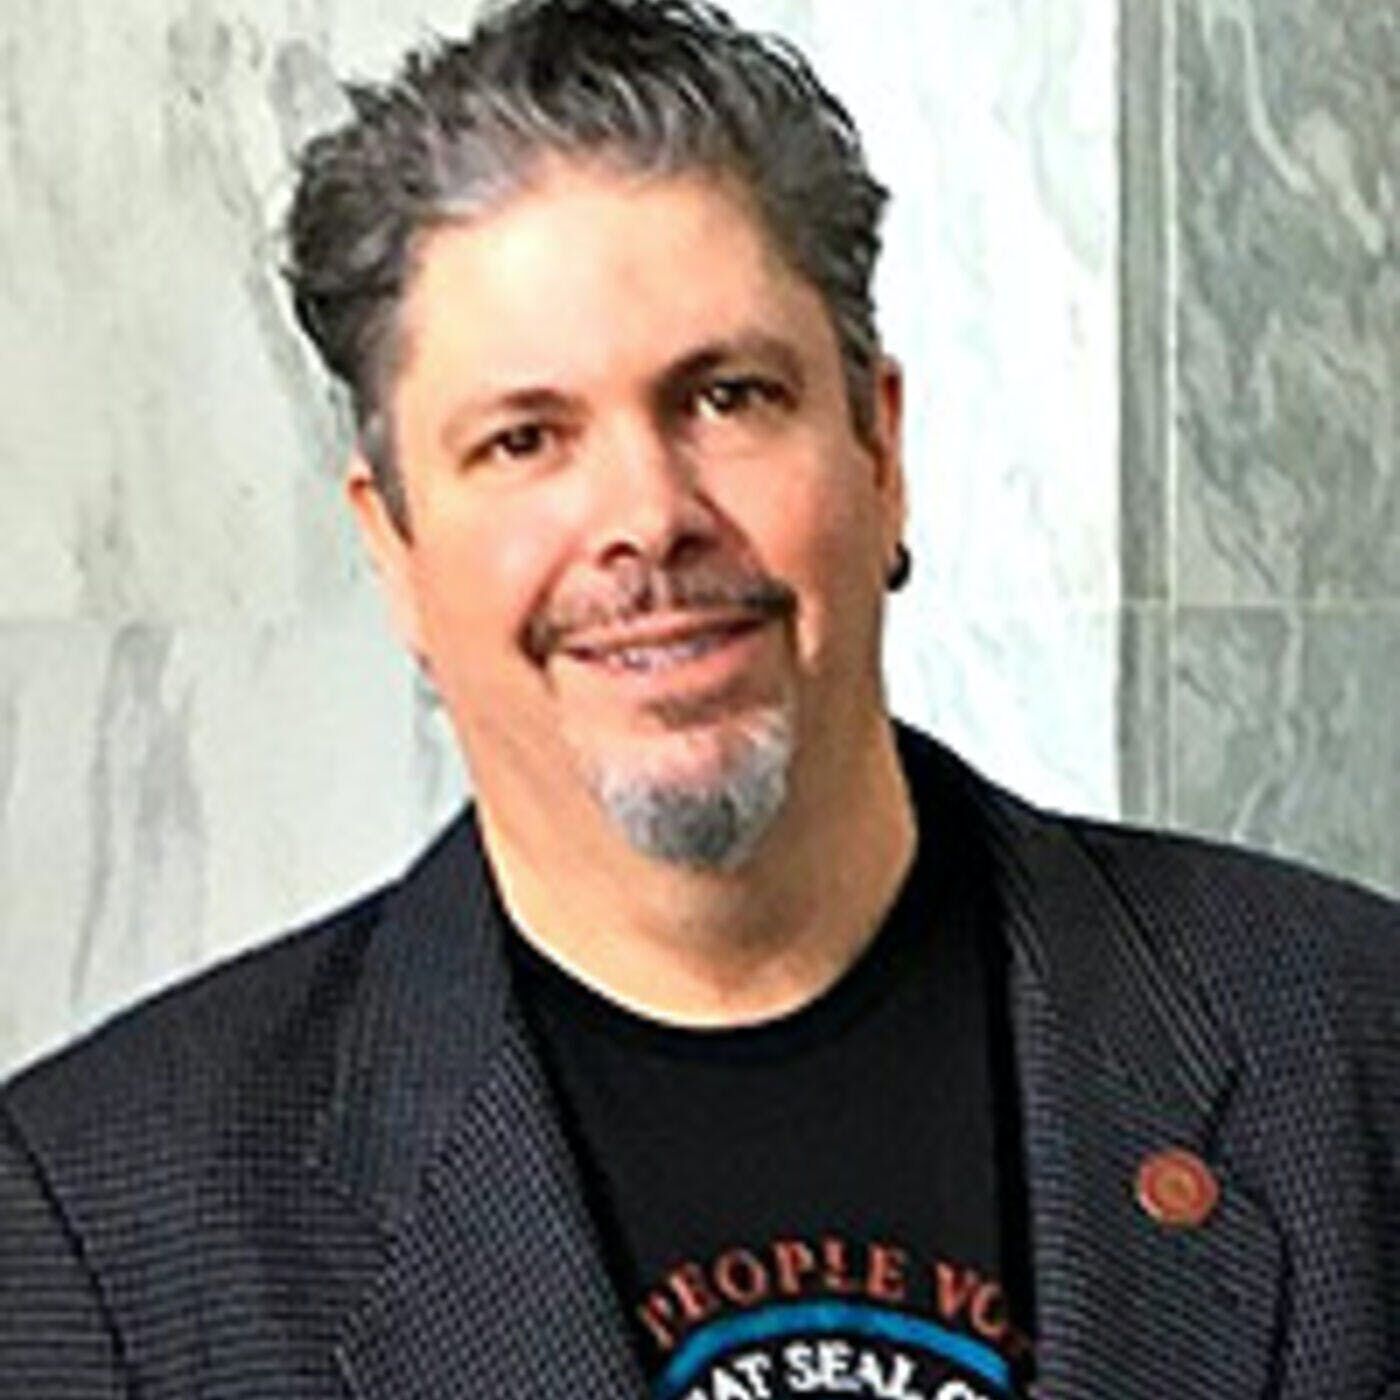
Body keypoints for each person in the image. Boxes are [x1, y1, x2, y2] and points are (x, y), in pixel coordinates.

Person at [1, 1, 1395, 1397]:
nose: (648, 518)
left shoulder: (1354, 1052)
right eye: (525, 439)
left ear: (881, 453)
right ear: (397, 552)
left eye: (727, 398)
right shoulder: (107, 1234)